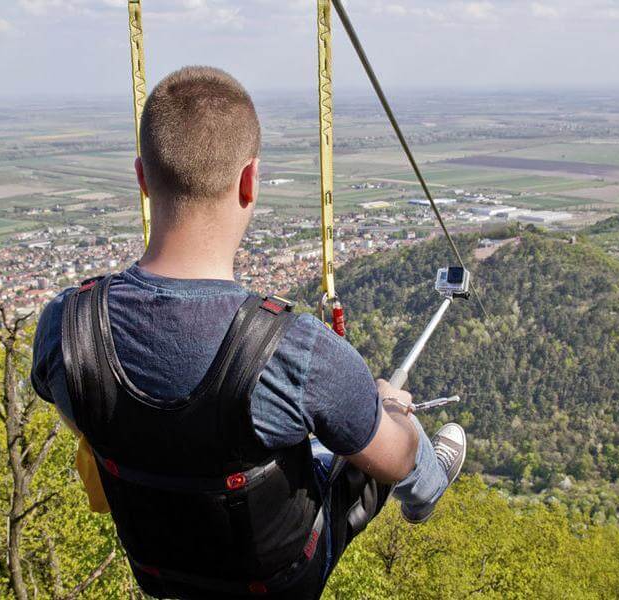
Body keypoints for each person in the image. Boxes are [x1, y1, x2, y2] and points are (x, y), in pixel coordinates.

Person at [31, 65, 466, 600]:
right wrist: (385, 407)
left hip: (162, 566)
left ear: (143, 178)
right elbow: (391, 460)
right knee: (382, 433)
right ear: (250, 181)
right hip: (278, 578)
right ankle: (429, 487)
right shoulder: (295, 351)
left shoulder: (65, 329)